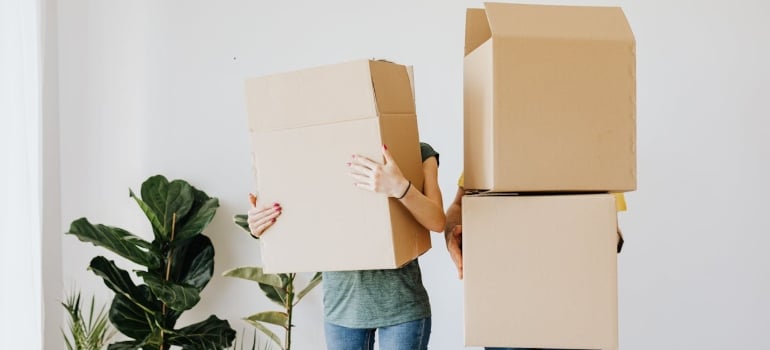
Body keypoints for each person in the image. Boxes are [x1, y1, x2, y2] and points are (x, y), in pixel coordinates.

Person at [247, 143, 445, 350]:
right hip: (341, 309)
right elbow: (298, 215)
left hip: (401, 307)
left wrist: (399, 187)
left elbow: (438, 221)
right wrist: (261, 224)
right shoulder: (313, 153)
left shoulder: (416, 151)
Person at [444, 173, 626, 350]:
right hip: (505, 305)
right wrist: (451, 234)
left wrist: (604, 240)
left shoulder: (590, 152)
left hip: (572, 310)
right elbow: (459, 205)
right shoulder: (495, 146)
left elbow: (608, 219)